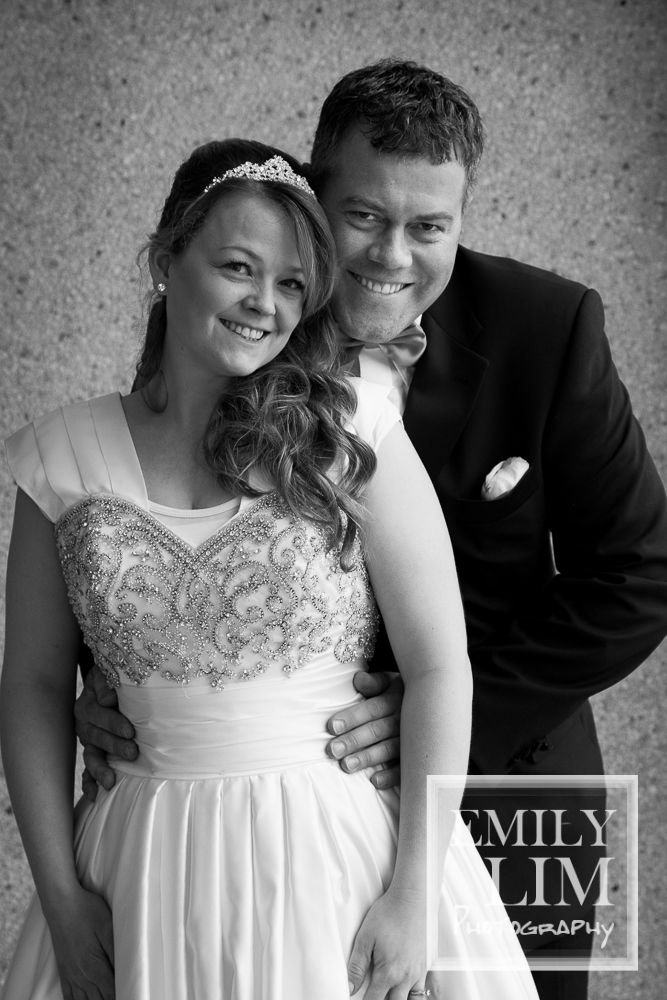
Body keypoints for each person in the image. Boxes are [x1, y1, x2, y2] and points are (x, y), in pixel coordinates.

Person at [76, 61, 667, 1000]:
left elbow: (642, 573)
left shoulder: (548, 325)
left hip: (512, 789)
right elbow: (145, 528)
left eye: (429, 226)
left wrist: (432, 711)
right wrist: (122, 688)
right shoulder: (242, 321)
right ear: (315, 195)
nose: (393, 255)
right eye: (362, 216)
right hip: (287, 823)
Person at [1, 140, 540, 999]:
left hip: (338, 862)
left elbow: (440, 665)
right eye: (237, 268)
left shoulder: (351, 429)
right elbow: (31, 685)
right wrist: (63, 901)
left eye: (291, 283)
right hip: (139, 867)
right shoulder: (59, 456)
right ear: (166, 260)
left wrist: (412, 896)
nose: (264, 303)